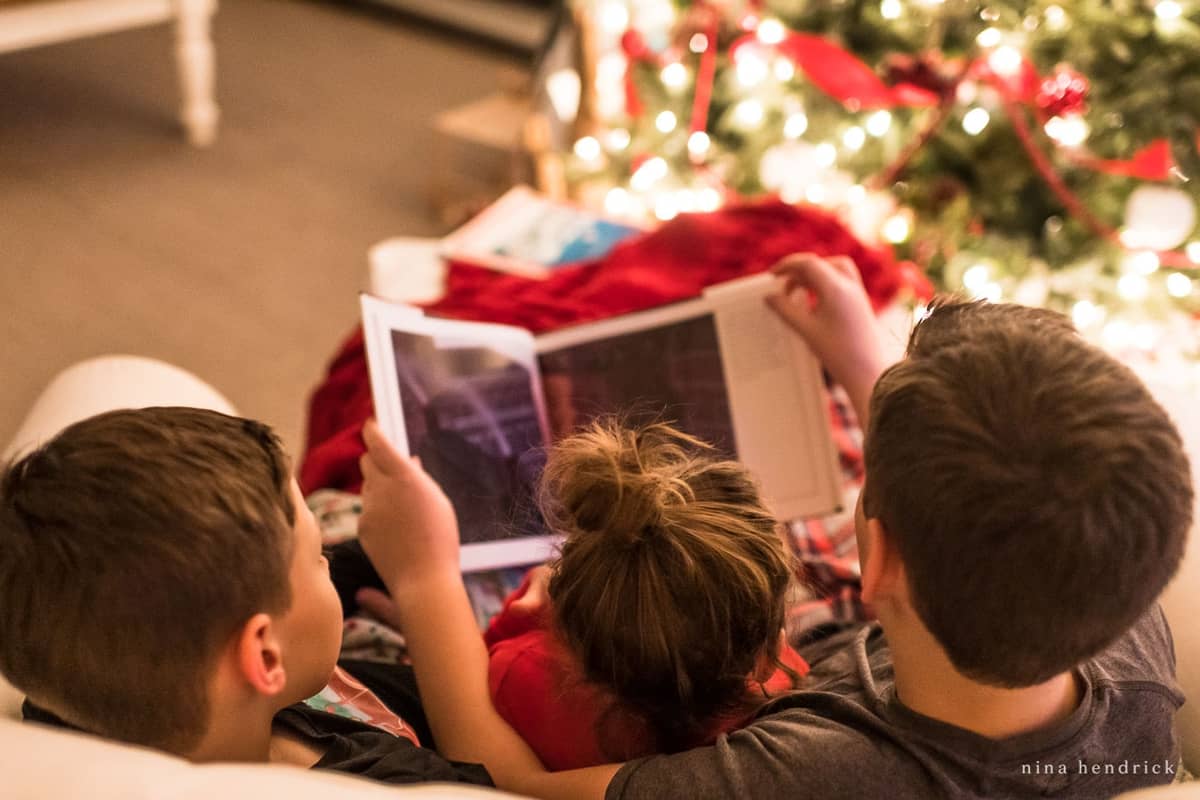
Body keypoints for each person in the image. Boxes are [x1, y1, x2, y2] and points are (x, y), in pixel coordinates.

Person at [354, 253, 1193, 799]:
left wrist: (426, 581)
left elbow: (505, 777)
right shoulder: (1126, 621)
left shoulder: (809, 776)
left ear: (883, 559)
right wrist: (863, 361)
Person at [0, 407, 490, 786]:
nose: (327, 562)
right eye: (319, 556)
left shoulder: (76, 676)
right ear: (263, 653)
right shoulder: (402, 784)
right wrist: (426, 586)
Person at [476, 419, 810, 770]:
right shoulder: (778, 690)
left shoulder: (518, 677)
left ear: (569, 635)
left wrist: (530, 601)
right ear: (767, 655)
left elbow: (486, 655)